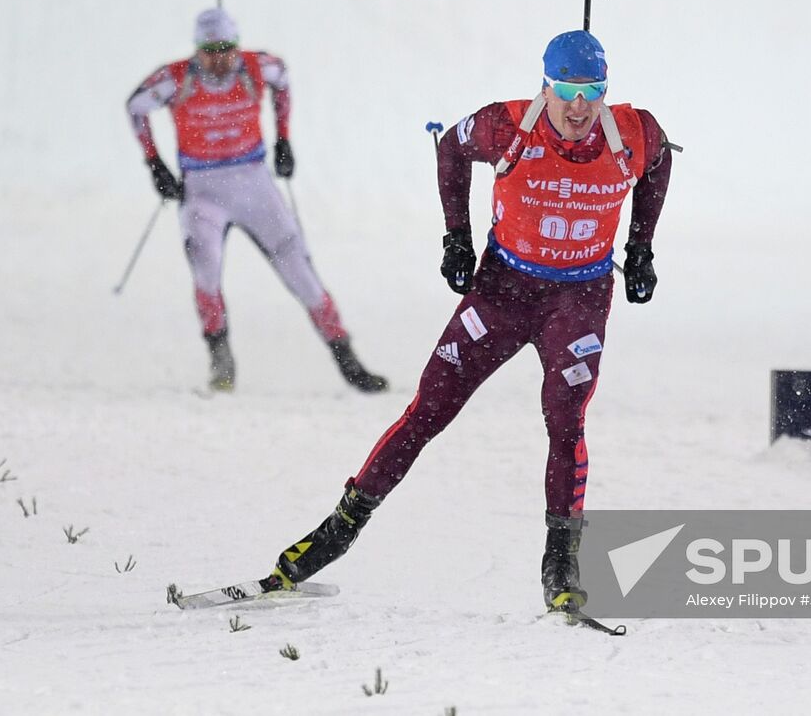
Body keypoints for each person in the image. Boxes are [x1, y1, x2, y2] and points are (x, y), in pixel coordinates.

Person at [259, 30, 673, 613]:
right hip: (504, 290)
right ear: (546, 84)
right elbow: (450, 148)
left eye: (594, 91)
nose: (580, 107)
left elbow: (659, 162)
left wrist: (642, 247)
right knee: (429, 409)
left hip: (577, 299)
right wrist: (457, 237)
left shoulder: (633, 131)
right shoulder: (505, 126)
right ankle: (339, 530)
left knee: (565, 419)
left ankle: (561, 560)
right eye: (567, 90)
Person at [125, 9, 387, 394]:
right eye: (209, 51)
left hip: (254, 186)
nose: (219, 60)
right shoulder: (177, 78)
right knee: (206, 272)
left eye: (226, 49)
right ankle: (221, 358)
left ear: (237, 45)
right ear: (197, 50)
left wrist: (284, 138)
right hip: (203, 191)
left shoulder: (256, 66)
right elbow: (135, 106)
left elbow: (284, 80)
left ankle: (347, 358)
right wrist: (155, 165)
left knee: (302, 274)